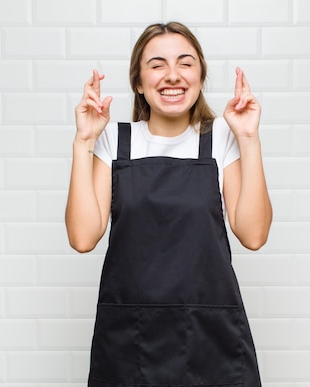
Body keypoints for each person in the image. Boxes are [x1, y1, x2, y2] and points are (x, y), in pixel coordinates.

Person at [65, 21, 272, 387]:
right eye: (157, 65)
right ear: (139, 83)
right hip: (131, 340)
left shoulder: (221, 138)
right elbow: (82, 238)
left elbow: (253, 234)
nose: (172, 75)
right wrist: (84, 142)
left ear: (200, 76)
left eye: (185, 63)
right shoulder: (113, 140)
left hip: (212, 338)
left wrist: (249, 139)